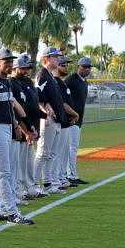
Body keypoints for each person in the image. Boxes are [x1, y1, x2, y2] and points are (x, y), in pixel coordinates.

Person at [0, 48, 34, 224]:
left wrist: (21, 126)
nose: (10, 64)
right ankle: (11, 211)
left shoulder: (6, 83)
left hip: (5, 127)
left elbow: (11, 108)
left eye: (11, 61)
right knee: (3, 171)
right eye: (6, 61)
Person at [34, 47, 69, 195]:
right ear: (46, 59)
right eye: (54, 57)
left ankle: (47, 183)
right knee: (43, 153)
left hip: (56, 119)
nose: (57, 59)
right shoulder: (42, 75)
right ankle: (34, 184)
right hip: (47, 118)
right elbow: (36, 95)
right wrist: (44, 110)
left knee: (50, 154)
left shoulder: (50, 76)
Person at [13, 54, 48, 199]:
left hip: (30, 125)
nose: (26, 71)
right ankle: (19, 190)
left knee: (28, 161)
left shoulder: (27, 82)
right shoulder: (14, 83)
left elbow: (33, 103)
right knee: (19, 163)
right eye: (23, 68)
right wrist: (43, 115)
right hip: (21, 127)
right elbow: (23, 107)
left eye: (28, 68)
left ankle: (29, 187)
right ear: (15, 68)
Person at [52, 56, 80, 188]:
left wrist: (73, 116)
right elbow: (63, 104)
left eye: (66, 65)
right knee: (56, 153)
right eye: (63, 65)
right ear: (56, 66)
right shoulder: (56, 82)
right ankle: (55, 179)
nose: (66, 67)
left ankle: (61, 177)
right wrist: (75, 114)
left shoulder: (62, 83)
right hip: (60, 122)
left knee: (63, 153)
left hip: (66, 122)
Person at [65, 56, 92, 185]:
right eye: (84, 67)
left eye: (88, 67)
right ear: (78, 67)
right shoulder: (71, 80)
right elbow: (64, 99)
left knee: (73, 147)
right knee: (71, 147)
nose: (87, 69)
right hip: (71, 119)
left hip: (78, 118)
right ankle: (70, 175)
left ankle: (71, 174)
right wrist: (70, 115)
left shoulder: (84, 81)